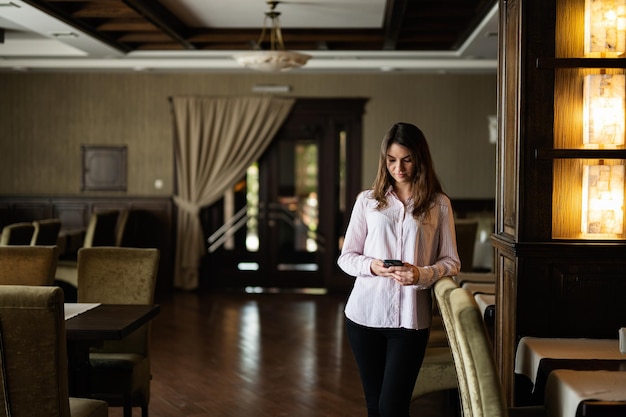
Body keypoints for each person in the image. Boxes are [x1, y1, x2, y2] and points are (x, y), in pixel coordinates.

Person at [337, 122, 460, 417]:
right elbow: (346, 257)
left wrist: (421, 274)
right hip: (364, 316)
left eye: (406, 159)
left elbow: (452, 262)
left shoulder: (438, 204)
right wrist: (372, 266)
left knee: (392, 406)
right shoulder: (367, 201)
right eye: (391, 160)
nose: (398, 168)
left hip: (410, 322)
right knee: (374, 406)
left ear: (419, 158)